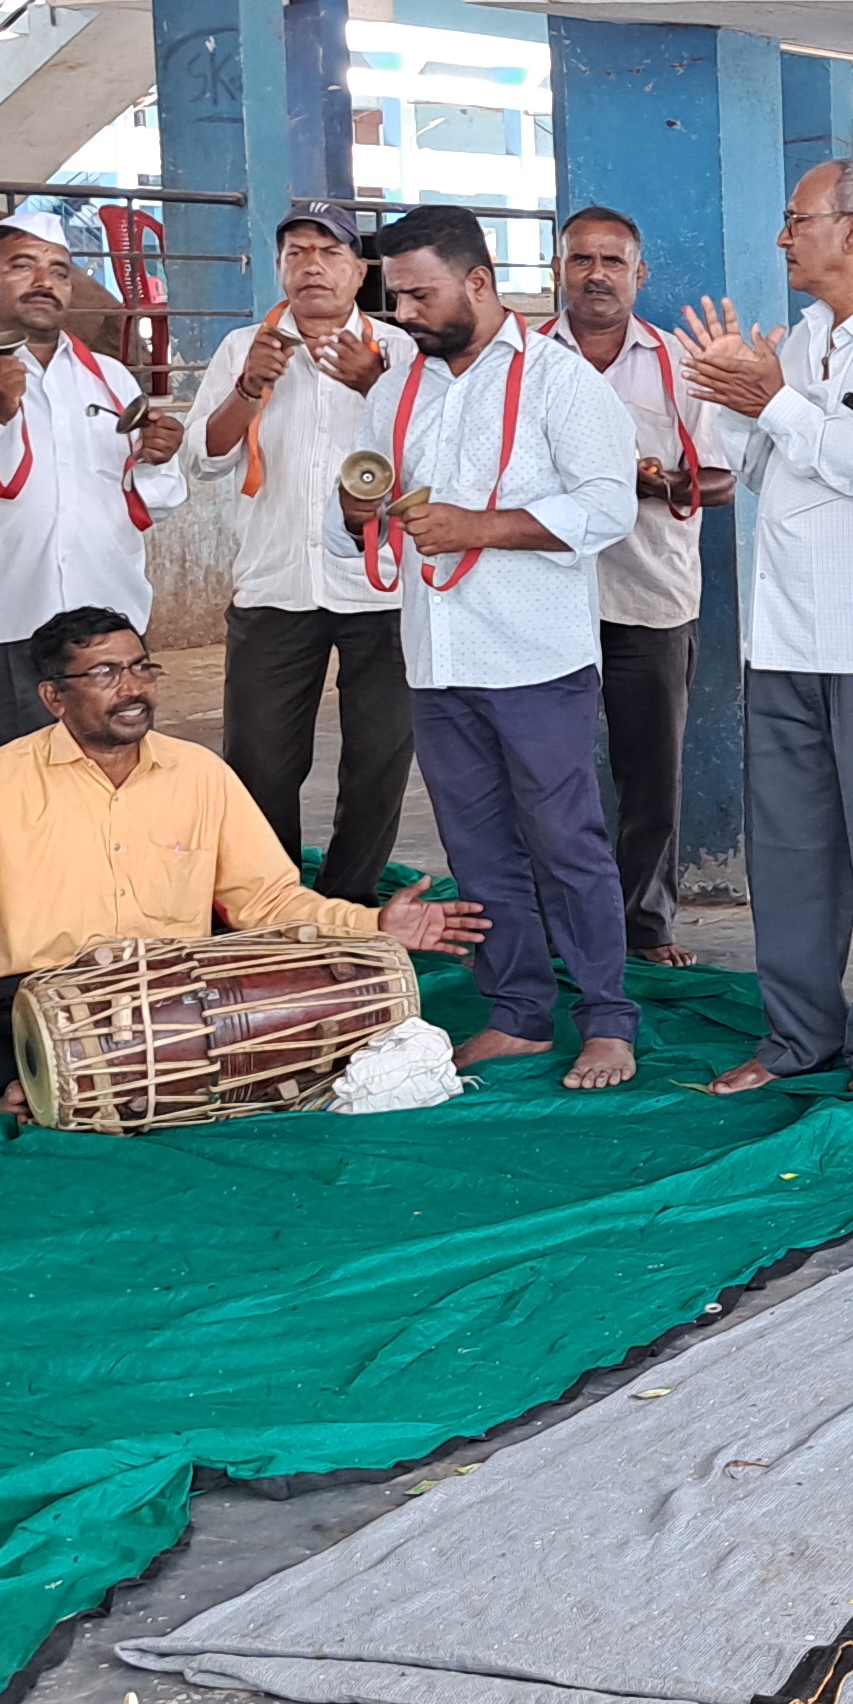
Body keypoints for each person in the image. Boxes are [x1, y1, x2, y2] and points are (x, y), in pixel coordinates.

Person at [0, 608, 484, 1104]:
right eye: (104, 673)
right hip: (41, 997)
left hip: (178, 999)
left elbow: (265, 898)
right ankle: (60, 1071)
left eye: (140, 668)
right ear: (54, 697)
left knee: (331, 1005)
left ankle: (55, 1084)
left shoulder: (200, 773)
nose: (132, 688)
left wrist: (374, 924)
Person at [331, 206, 642, 1091]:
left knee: (566, 843)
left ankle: (609, 1021)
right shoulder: (397, 387)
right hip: (437, 656)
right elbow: (351, 508)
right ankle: (517, 1014)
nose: (407, 314)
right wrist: (353, 513)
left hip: (536, 659)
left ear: (478, 282)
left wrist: (484, 527)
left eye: (422, 294)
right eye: (398, 298)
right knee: (478, 850)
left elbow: (608, 509)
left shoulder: (561, 381)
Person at [674, 158, 853, 1098]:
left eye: (796, 219)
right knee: (791, 851)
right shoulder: (797, 338)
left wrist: (780, 402)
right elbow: (761, 465)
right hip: (786, 638)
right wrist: (724, 397)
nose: (783, 238)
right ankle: (796, 1034)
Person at [0, 212, 189, 766]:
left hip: (108, 632)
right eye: (22, 265)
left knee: (114, 788)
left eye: (60, 270)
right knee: (5, 799)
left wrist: (158, 461)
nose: (44, 281)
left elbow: (156, 503)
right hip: (0, 628)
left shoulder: (111, 378)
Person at [197, 203, 409, 904]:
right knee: (259, 760)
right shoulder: (243, 347)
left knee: (378, 756)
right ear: (280, 267)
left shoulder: (401, 352)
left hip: (381, 590)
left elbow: (437, 453)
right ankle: (270, 903)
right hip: (274, 587)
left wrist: (373, 383)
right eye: (296, 252)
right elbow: (204, 460)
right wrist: (248, 388)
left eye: (329, 251)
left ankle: (350, 905)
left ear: (360, 270)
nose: (311, 265)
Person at [549, 206, 733, 968]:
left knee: (650, 773)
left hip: (650, 598)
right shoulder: (523, 362)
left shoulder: (676, 364)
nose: (596, 274)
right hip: (545, 600)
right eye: (581, 259)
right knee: (544, 772)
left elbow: (722, 478)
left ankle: (645, 926)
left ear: (638, 273)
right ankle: (553, 923)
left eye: (612, 261)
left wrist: (651, 483)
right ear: (558, 269)